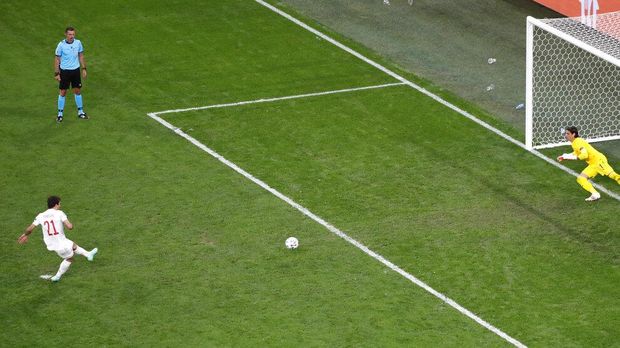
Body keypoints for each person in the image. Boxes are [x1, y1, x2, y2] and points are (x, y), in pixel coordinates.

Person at [18, 196, 98, 282]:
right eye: (60, 203)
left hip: (51, 243)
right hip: (60, 243)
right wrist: (71, 225)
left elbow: (30, 229)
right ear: (56, 204)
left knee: (73, 245)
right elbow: (70, 227)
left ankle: (88, 254)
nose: (60, 205)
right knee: (69, 258)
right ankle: (57, 276)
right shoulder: (59, 213)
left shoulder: (40, 215)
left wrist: (25, 235)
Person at [557, 126, 620, 201]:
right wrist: (564, 156)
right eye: (565, 134)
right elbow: (576, 153)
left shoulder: (578, 142)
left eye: (568, 134)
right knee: (581, 178)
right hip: (593, 164)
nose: (566, 135)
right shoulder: (575, 142)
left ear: (573, 134)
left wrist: (570, 157)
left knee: (614, 176)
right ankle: (595, 194)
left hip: (599, 161)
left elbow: (584, 155)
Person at [54, 26, 88, 122]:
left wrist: (84, 68)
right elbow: (56, 59)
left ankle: (80, 112)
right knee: (63, 92)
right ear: (66, 34)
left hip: (75, 71)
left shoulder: (78, 43)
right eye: (69, 34)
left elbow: (81, 56)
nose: (71, 36)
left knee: (77, 91)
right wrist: (57, 73)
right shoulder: (61, 45)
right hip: (65, 71)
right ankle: (60, 114)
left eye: (73, 34)